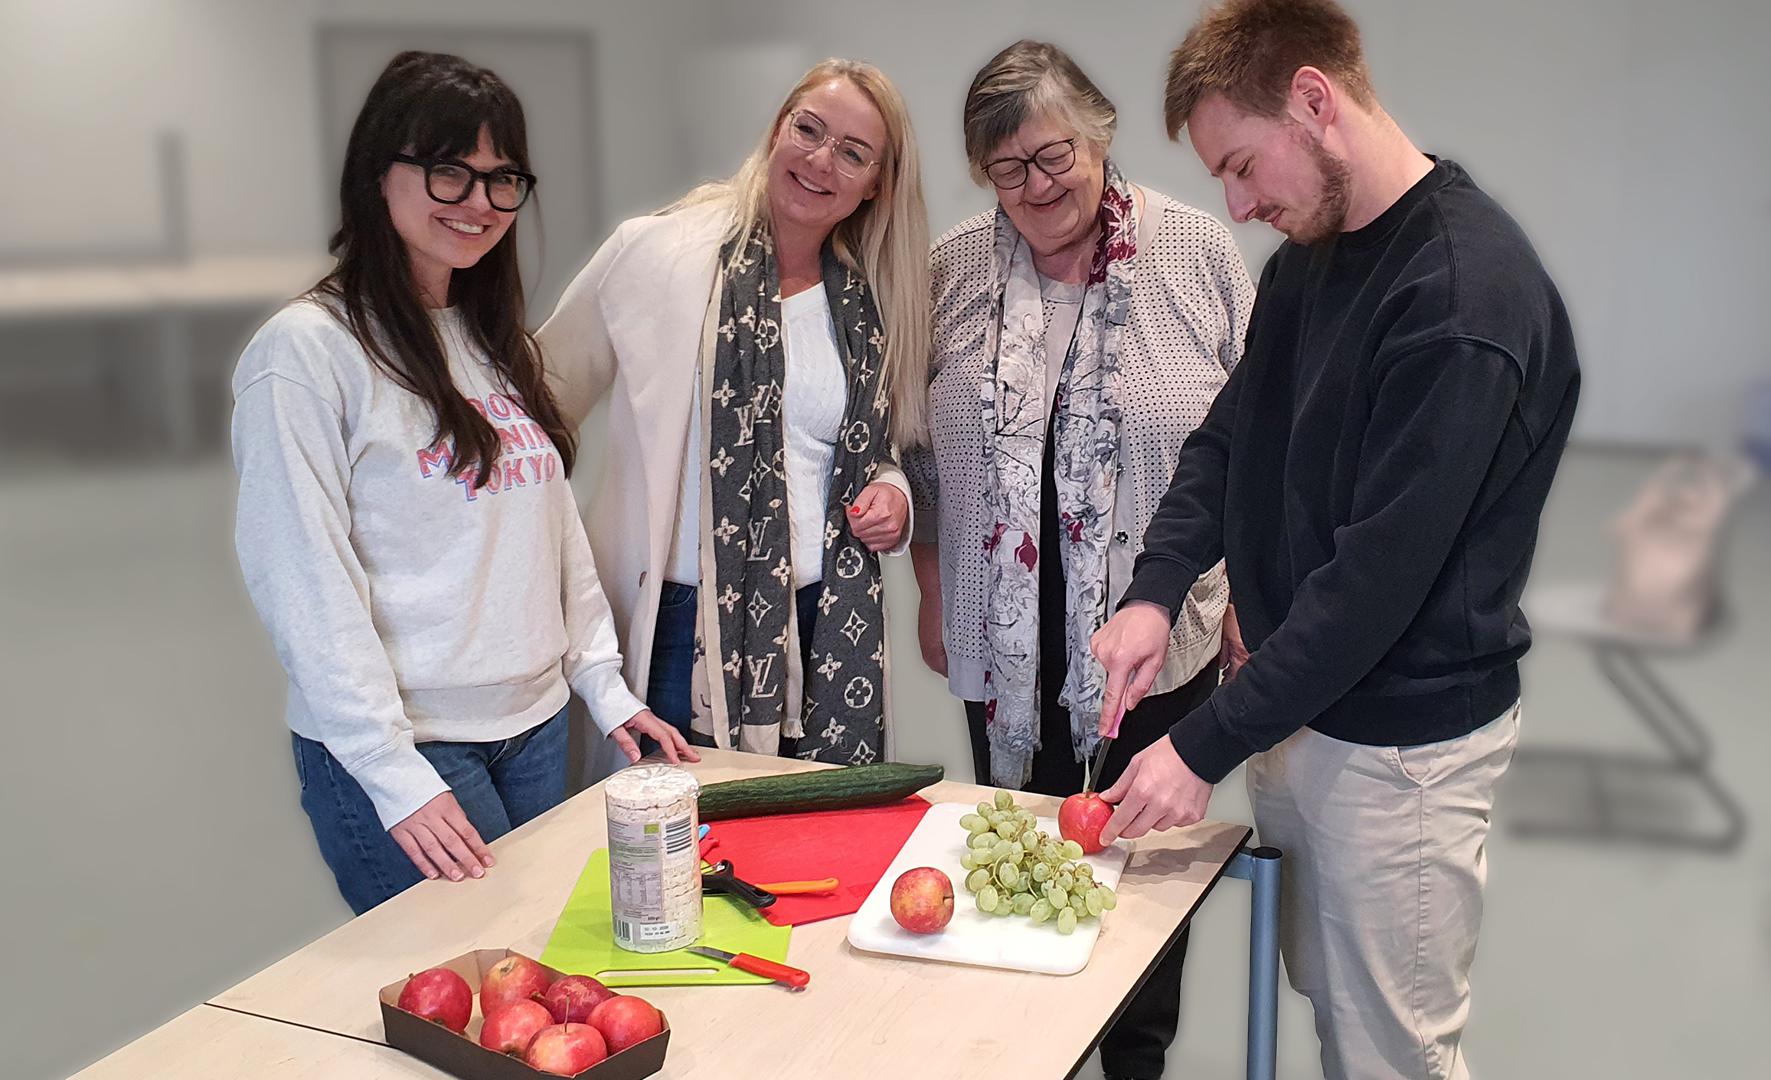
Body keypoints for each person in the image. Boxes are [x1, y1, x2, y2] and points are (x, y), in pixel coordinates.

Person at [1091, 2, 1582, 1077]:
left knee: (1388, 1052)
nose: (1237, 202)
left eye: (1241, 164)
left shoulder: (1459, 298)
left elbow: (1374, 585)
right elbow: (1228, 437)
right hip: (1305, 715)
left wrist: (1202, 744)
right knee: (1335, 1008)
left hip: (1398, 758)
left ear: (1314, 101)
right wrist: (1154, 589)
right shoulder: (1311, 258)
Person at [232, 52, 694, 915]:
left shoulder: (489, 342)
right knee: (472, 1007)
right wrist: (389, 770)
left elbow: (550, 535)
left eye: (501, 179)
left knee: (540, 983)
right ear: (379, 173)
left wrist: (603, 684)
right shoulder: (306, 353)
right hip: (414, 743)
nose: (479, 204)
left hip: (535, 726)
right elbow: (302, 577)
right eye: (451, 172)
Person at [902, 41, 1253, 1080]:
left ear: (1099, 135)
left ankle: (1133, 1061)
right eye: (1005, 169)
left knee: (1139, 881)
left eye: (1052, 155)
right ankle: (1027, 1052)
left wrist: (1248, 597)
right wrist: (930, 588)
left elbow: (1255, 444)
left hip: (1155, 637)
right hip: (1000, 643)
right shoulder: (955, 266)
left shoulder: (1195, 253)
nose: (1035, 186)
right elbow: (919, 449)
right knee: (1019, 860)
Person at [539, 59, 928, 768]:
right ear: (777, 129)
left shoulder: (868, 300)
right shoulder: (657, 253)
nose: (820, 161)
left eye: (852, 152)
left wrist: (894, 496)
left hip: (825, 620)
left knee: (806, 857)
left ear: (878, 183)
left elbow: (864, 453)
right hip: (678, 628)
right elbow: (535, 409)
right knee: (673, 857)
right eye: (807, 130)